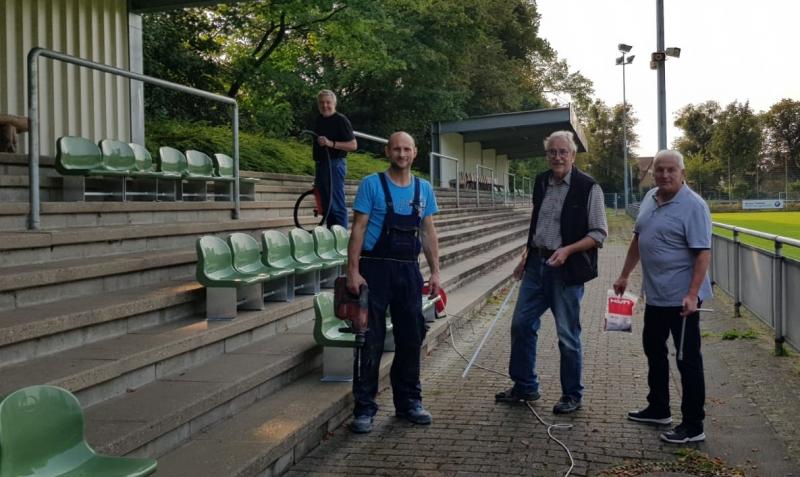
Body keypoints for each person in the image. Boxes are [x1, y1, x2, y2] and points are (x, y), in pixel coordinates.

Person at [495, 130, 608, 414]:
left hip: (567, 271)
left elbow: (599, 233)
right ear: (547, 155)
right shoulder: (541, 181)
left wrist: (568, 250)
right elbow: (538, 225)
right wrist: (526, 255)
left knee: (567, 335)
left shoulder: (588, 187)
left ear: (573, 154)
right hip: (536, 266)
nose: (557, 157)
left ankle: (572, 394)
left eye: (563, 152)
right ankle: (525, 387)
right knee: (521, 325)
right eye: (552, 152)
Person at [613, 149, 711, 444]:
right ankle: (658, 408)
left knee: (687, 360)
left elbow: (703, 254)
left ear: (682, 173)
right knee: (653, 350)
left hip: (683, 301)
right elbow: (639, 238)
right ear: (652, 173)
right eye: (659, 170)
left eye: (671, 170)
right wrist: (624, 274)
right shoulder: (650, 197)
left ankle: (694, 426)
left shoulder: (694, 206)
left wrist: (693, 294)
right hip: (655, 296)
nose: (665, 175)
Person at [346, 131, 440, 434]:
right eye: (396, 149)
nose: (402, 154)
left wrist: (436, 271)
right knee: (370, 339)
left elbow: (428, 233)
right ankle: (364, 408)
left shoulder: (423, 189)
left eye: (407, 149)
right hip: (374, 269)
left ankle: (409, 402)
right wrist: (353, 270)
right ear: (388, 152)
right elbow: (358, 229)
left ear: (415, 153)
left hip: (408, 271)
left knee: (411, 337)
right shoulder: (371, 184)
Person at [313, 89, 357, 228]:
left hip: (335, 165)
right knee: (327, 206)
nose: (325, 105)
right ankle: (332, 238)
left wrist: (331, 143)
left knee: (337, 205)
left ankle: (342, 240)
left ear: (334, 103)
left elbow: (353, 145)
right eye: (322, 103)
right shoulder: (318, 120)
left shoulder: (340, 120)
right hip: (321, 165)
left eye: (328, 102)